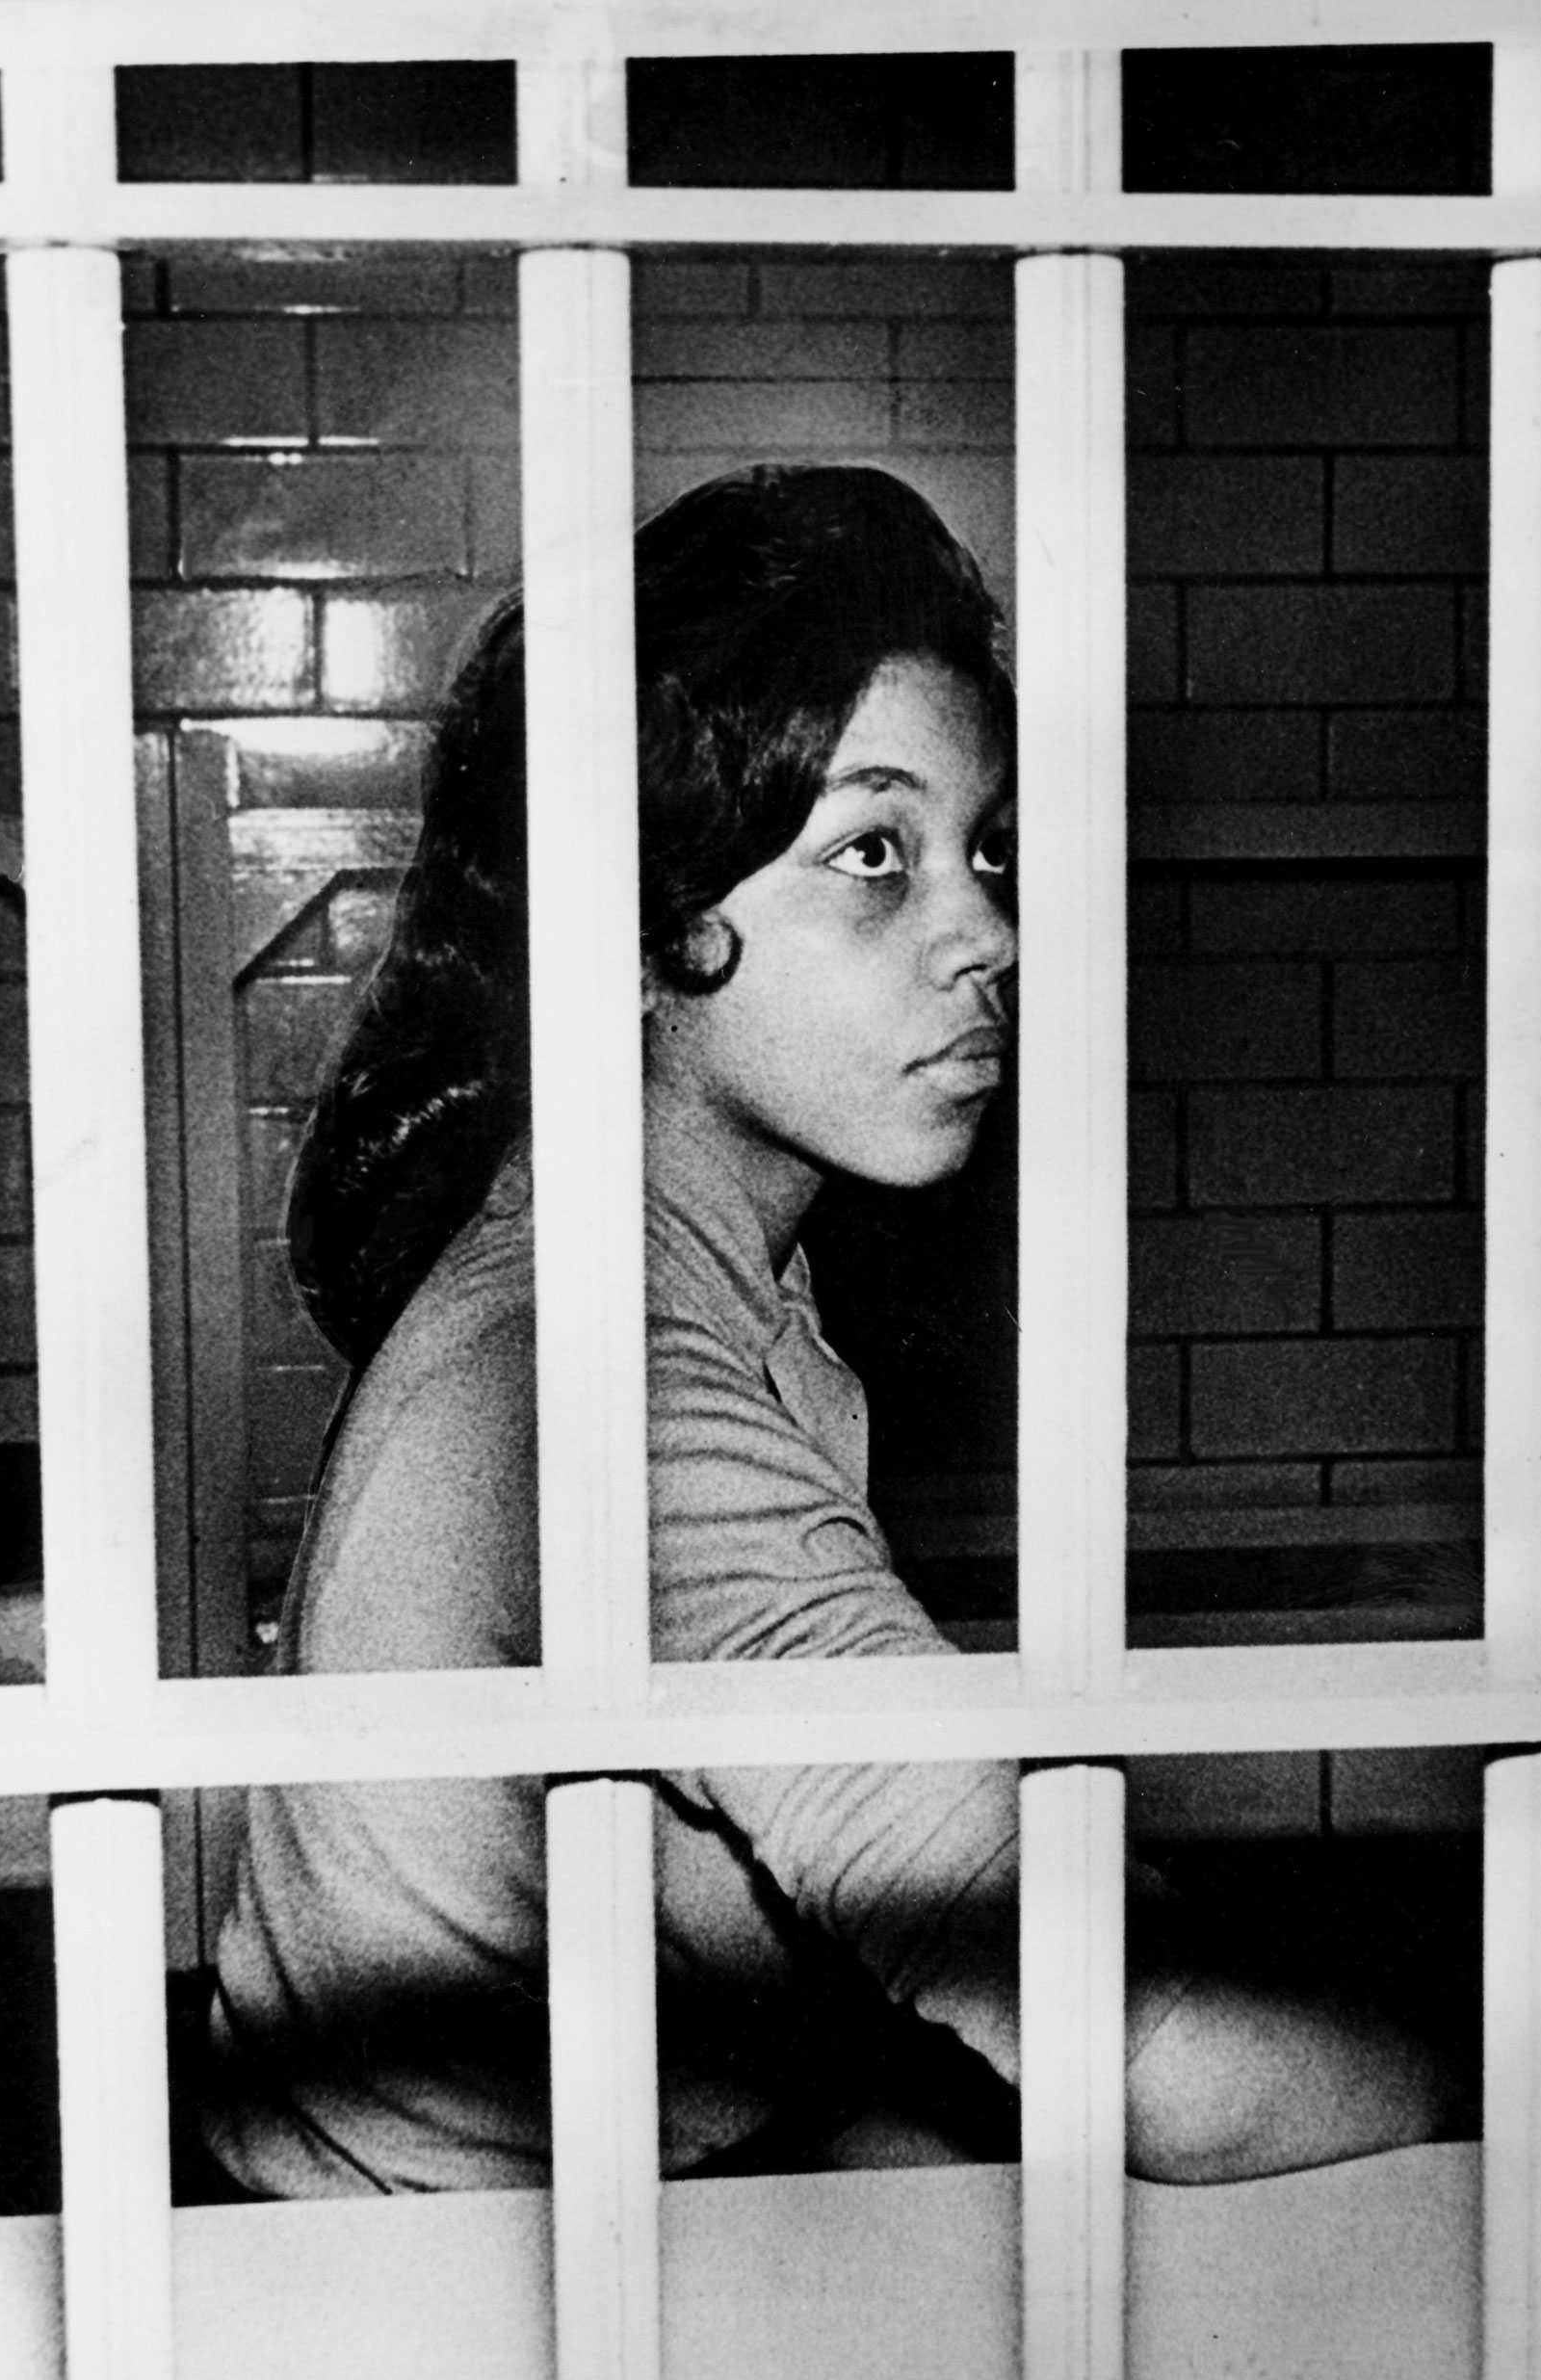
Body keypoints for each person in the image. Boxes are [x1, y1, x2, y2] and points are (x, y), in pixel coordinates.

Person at [201, 464, 1455, 2200]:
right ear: (640, 937)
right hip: (420, 2325)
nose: (988, 933)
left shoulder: (669, 1262)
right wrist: (1517, 2097)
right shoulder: (609, 1377)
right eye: (875, 854)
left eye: (987, 846)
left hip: (557, 2211)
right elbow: (1128, 2030)